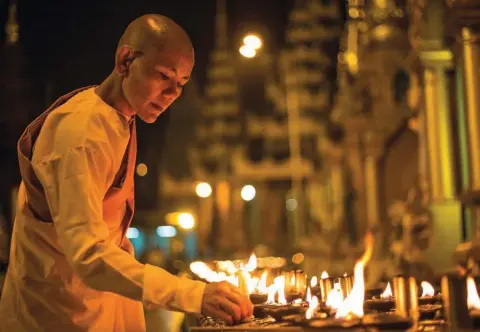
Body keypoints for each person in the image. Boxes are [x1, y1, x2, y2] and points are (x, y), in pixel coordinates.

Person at [0, 14, 252, 331]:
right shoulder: (80, 135)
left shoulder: (117, 120)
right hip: (51, 315)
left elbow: (114, 244)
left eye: (181, 84)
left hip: (94, 308)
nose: (173, 93)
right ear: (125, 61)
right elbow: (90, 255)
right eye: (164, 76)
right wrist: (193, 294)